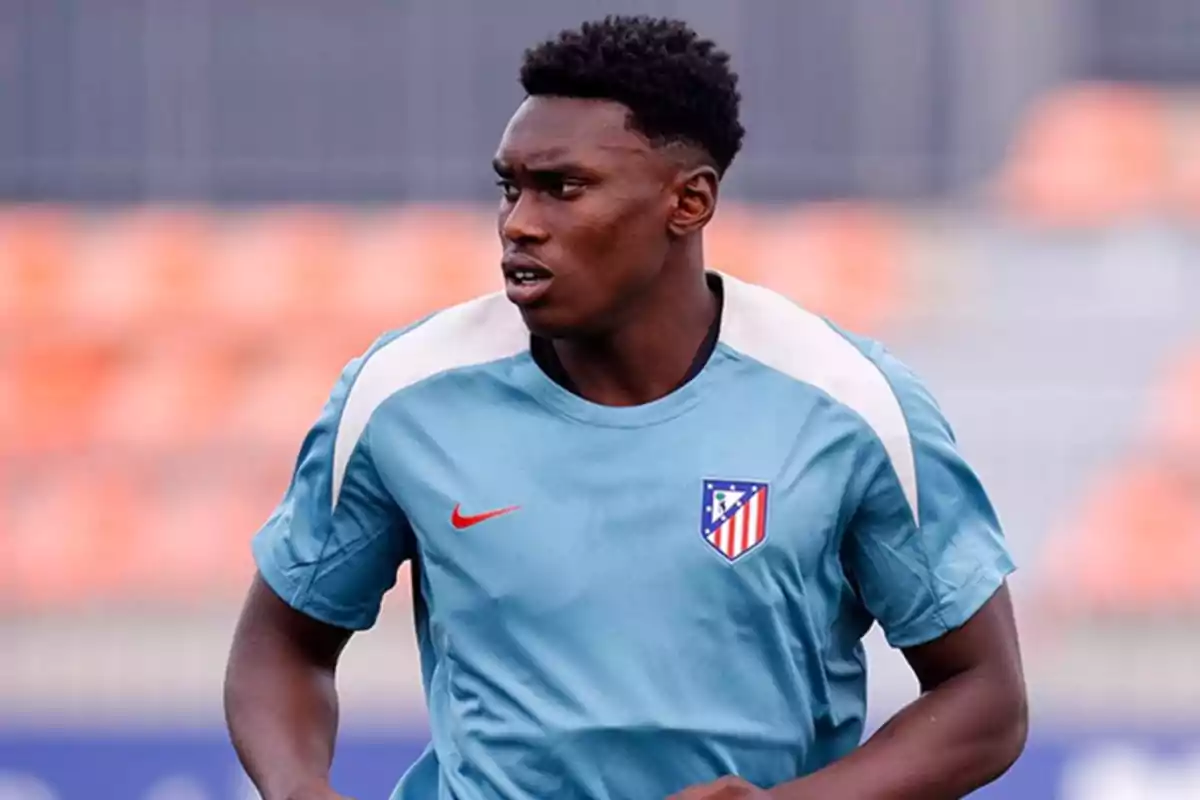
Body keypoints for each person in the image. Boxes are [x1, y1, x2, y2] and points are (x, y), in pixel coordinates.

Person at [224, 14, 1028, 800]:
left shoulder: (851, 406)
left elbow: (984, 696)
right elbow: (285, 643)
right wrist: (299, 789)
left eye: (564, 189)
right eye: (510, 188)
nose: (519, 225)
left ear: (689, 202)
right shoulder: (401, 395)